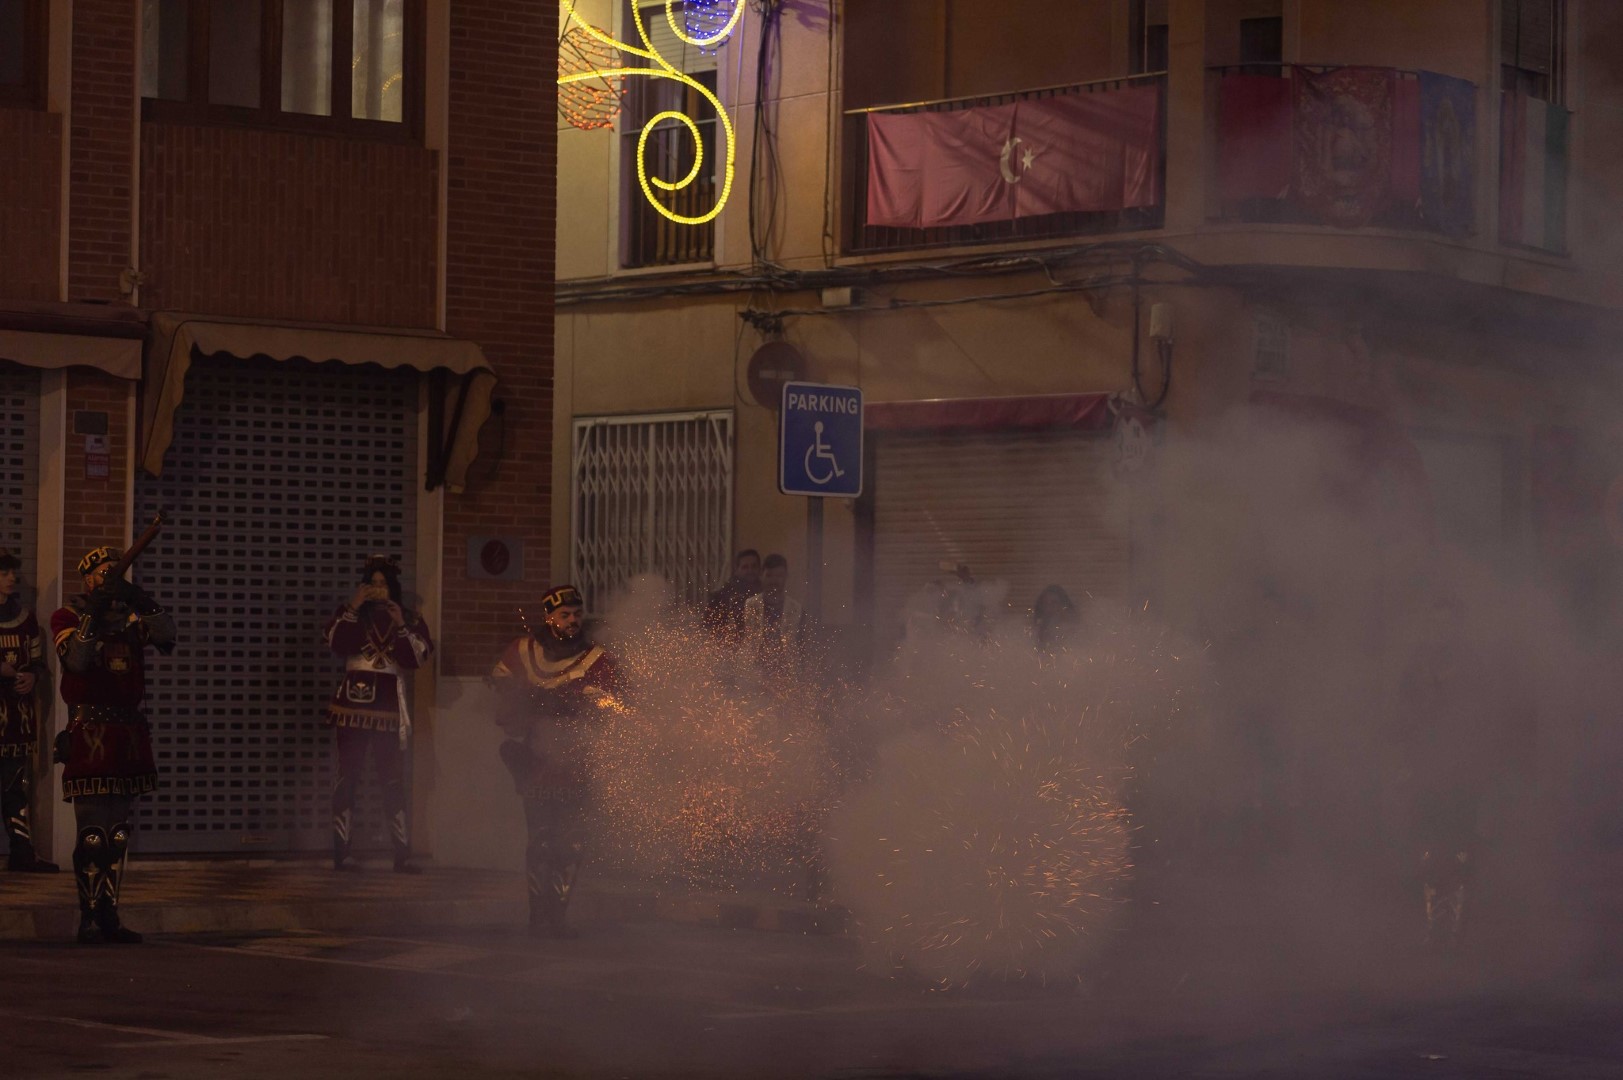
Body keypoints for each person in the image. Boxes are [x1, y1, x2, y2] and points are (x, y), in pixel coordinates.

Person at [52, 545, 177, 943]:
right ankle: (89, 918)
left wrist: (137, 597)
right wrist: (95, 610)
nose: (109, 576)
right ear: (88, 579)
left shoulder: (131, 620)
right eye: (103, 572)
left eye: (114, 570)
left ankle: (111, 916)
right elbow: (76, 660)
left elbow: (167, 634)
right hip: (90, 734)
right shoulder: (68, 616)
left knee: (118, 833)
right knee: (93, 833)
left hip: (127, 736)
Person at [490, 584, 620, 938]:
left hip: (578, 763)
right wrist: (528, 699)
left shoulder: (596, 658)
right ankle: (538, 917)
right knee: (540, 842)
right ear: (549, 617)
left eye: (577, 614)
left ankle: (557, 917)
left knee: (572, 845)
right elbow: (501, 682)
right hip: (537, 762)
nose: (573, 620)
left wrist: (584, 701)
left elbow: (618, 703)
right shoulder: (525, 650)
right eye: (564, 615)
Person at [322, 554, 433, 874]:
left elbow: (417, 657)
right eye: (372, 583)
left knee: (393, 779)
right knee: (347, 776)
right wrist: (354, 606)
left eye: (383, 584)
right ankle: (341, 853)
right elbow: (337, 643)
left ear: (393, 586)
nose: (378, 589)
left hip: (387, 708)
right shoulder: (351, 614)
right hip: (351, 708)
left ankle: (402, 855)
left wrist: (401, 625)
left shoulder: (408, 617)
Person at [0, 549, 56, 872]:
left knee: (15, 788)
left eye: (12, 572)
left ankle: (21, 852)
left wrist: (33, 676)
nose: (12, 578)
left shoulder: (26, 619)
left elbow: (36, 660)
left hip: (16, 721)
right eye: (4, 573)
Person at [741, 553, 809, 679]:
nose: (774, 581)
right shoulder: (749, 605)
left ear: (786, 577)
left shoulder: (796, 609)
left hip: (787, 673)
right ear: (761, 575)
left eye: (779, 576)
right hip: (753, 672)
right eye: (769, 575)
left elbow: (802, 646)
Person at [704, 549, 761, 642]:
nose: (750, 570)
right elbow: (708, 629)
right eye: (745, 567)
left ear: (759, 569)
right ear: (737, 569)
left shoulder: (765, 594)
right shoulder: (721, 596)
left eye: (754, 566)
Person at [1032, 584, 1080, 653]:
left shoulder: (1074, 631)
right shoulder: (1034, 633)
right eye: (1045, 603)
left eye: (1054, 603)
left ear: (1063, 605)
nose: (1049, 607)